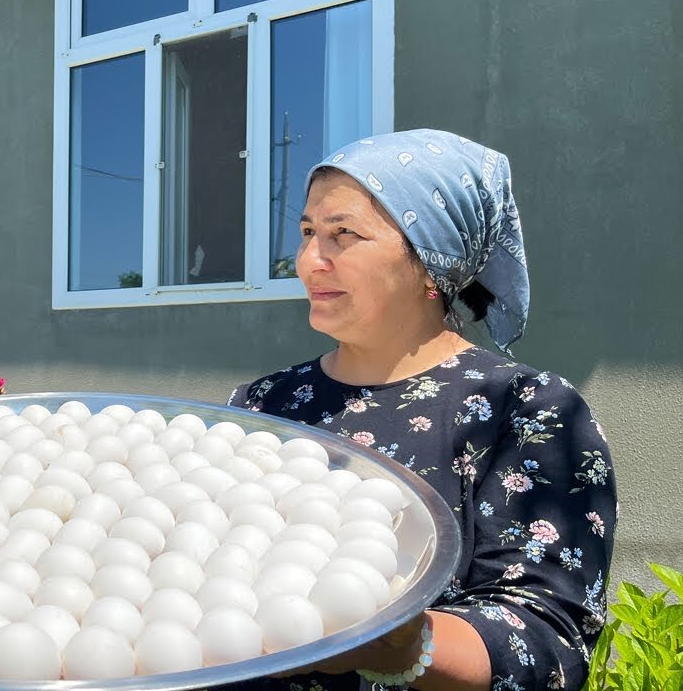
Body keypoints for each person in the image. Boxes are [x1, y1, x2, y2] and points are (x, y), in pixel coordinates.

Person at [227, 129, 616, 690]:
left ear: (433, 260)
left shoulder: (523, 413)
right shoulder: (262, 406)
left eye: (344, 235)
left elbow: (549, 639)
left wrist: (405, 646)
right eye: (309, 231)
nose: (310, 260)